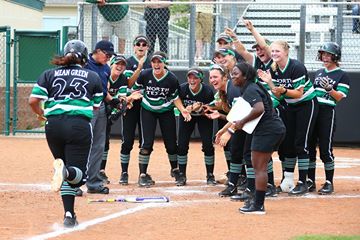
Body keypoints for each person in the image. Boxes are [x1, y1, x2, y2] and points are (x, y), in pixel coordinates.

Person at [28, 40, 103, 227]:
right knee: (77, 176)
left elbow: (32, 100)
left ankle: (69, 214)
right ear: (84, 57)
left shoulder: (49, 74)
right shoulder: (93, 76)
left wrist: (42, 114)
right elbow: (95, 107)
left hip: (53, 126)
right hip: (78, 125)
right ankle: (66, 171)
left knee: (65, 175)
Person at [216, 62, 285, 214]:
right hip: (270, 129)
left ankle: (258, 205)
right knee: (258, 166)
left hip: (267, 130)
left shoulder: (250, 89)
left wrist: (240, 123)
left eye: (236, 73)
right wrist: (229, 128)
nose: (232, 76)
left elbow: (259, 109)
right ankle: (256, 200)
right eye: (232, 73)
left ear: (245, 76)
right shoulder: (251, 87)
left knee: (259, 168)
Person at [258, 40, 318, 196]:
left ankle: (303, 182)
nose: (274, 54)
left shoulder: (296, 67)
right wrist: (270, 83)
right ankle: (288, 181)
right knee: (288, 143)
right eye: (272, 51)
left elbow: (298, 93)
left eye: (277, 51)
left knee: (301, 143)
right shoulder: (273, 67)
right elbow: (277, 93)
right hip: (290, 106)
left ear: (286, 52)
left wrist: (282, 89)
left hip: (306, 104)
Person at [132, 51, 191, 187]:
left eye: (159, 61)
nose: (156, 64)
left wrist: (183, 110)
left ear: (164, 63)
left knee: (171, 143)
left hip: (166, 110)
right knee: (146, 143)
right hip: (148, 110)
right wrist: (131, 98)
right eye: (154, 61)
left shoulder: (171, 79)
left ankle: (175, 169)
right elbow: (135, 89)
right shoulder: (145, 74)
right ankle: (142, 174)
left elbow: (175, 97)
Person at [308, 42, 350, 195]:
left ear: (335, 56)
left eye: (328, 54)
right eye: (323, 54)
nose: (324, 57)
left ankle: (328, 182)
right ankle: (310, 180)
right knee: (310, 147)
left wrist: (330, 89)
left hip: (327, 112)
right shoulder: (319, 72)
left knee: (325, 149)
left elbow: (339, 97)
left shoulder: (342, 75)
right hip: (313, 110)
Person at [100, 54, 142, 184]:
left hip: (109, 110)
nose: (120, 66)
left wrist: (126, 100)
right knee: (96, 142)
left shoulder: (123, 79)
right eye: (117, 63)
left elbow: (121, 98)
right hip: (97, 109)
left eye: (122, 65)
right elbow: (104, 95)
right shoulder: (104, 76)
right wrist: (131, 98)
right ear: (111, 64)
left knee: (105, 142)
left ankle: (100, 171)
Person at [118, 35, 152, 185]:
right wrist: (132, 95)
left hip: (146, 106)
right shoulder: (127, 62)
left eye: (144, 44)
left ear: (147, 48)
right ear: (133, 46)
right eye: (138, 44)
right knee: (127, 139)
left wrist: (141, 93)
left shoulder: (152, 62)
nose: (141, 46)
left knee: (145, 141)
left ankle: (142, 173)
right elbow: (127, 84)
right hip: (130, 105)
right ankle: (124, 173)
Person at [84, 40, 116, 195]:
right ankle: (74, 182)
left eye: (111, 56)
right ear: (97, 51)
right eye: (107, 54)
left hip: (100, 107)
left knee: (99, 144)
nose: (109, 58)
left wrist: (113, 101)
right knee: (82, 143)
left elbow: (103, 91)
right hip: (85, 107)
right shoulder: (84, 64)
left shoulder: (106, 68)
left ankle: (93, 182)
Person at [177, 67, 215, 186]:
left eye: (195, 78)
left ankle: (210, 174)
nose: (192, 80)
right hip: (187, 117)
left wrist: (200, 107)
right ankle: (182, 174)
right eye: (190, 77)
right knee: (182, 144)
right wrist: (185, 109)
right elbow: (176, 101)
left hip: (203, 117)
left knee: (208, 145)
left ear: (201, 79)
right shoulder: (182, 88)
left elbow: (212, 107)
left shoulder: (207, 91)